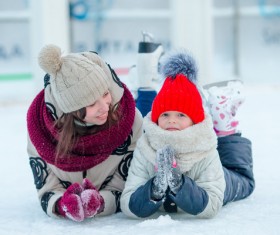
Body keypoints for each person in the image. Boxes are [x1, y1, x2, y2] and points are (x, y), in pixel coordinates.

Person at [120, 51, 255, 219]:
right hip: (186, 176)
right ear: (156, 117)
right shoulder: (146, 147)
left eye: (181, 115)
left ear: (194, 121)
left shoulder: (206, 150)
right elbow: (127, 201)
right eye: (165, 115)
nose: (172, 121)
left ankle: (224, 123)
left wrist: (179, 184)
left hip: (211, 177)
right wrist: (155, 188)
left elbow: (213, 202)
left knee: (243, 180)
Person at [26, 44, 143, 222]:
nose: (104, 107)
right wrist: (62, 205)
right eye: (91, 104)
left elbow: (125, 182)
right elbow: (47, 188)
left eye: (105, 94)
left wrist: (102, 201)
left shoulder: (130, 120)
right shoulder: (40, 128)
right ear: (71, 109)